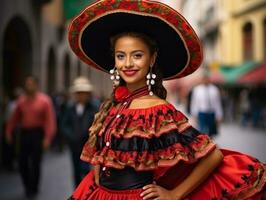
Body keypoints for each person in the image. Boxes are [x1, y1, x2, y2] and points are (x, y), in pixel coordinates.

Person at [67, 1, 265, 199]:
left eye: (137, 55)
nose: (127, 63)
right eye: (121, 56)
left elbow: (213, 155)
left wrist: (174, 194)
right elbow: (101, 154)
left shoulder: (158, 110)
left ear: (152, 59)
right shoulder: (112, 106)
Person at [5, 76, 56, 198]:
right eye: (27, 84)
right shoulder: (21, 101)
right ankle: (27, 184)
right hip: (24, 134)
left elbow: (50, 121)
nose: (28, 86)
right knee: (22, 162)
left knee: (35, 162)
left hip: (37, 134)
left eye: (31, 84)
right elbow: (14, 119)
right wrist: (8, 131)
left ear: (36, 85)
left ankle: (34, 187)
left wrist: (48, 138)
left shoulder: (45, 101)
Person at [62, 77, 99, 187]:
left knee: (86, 170)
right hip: (74, 145)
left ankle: (87, 191)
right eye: (79, 93)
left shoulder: (94, 108)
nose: (82, 96)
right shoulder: (70, 108)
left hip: (88, 145)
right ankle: (77, 191)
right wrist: (70, 136)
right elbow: (64, 124)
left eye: (84, 93)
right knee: (76, 169)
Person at [190, 72, 223, 136]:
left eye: (207, 79)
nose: (205, 80)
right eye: (204, 79)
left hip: (211, 113)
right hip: (202, 113)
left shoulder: (214, 89)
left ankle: (210, 143)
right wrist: (194, 115)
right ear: (202, 80)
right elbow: (194, 102)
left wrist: (219, 115)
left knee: (211, 132)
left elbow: (217, 103)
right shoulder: (197, 89)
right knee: (202, 131)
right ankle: (203, 144)